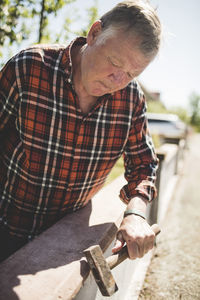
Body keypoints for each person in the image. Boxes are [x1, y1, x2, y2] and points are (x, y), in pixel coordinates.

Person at [0, 0, 162, 262]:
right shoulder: (28, 68)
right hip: (7, 231)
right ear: (95, 33)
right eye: (114, 62)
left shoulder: (131, 100)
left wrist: (135, 213)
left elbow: (144, 165)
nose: (118, 82)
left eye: (132, 74)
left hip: (68, 245)